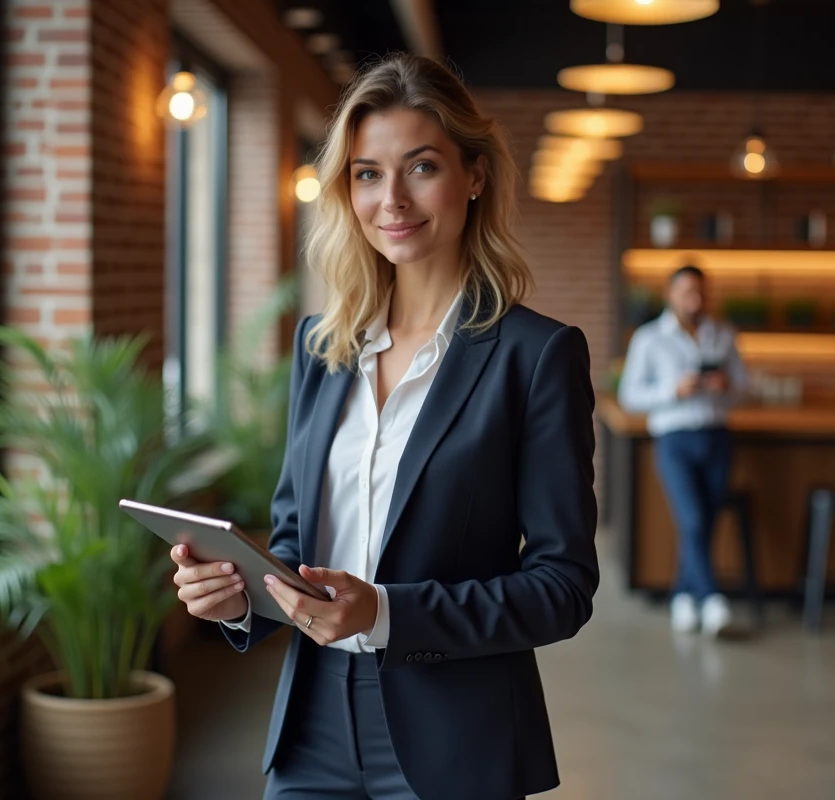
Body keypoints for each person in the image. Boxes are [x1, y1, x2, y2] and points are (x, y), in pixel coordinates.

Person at [170, 53, 599, 800]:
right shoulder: (321, 346)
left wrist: (388, 613)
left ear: (474, 175)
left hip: (456, 742)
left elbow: (563, 586)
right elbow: (300, 545)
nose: (391, 199)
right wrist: (241, 598)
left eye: (420, 167)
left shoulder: (536, 356)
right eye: (367, 173)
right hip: (311, 732)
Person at [618, 265, 746, 636]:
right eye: (688, 292)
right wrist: (673, 391)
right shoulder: (649, 338)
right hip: (674, 440)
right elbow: (629, 396)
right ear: (670, 294)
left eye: (702, 292)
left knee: (705, 522)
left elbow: (745, 387)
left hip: (718, 437)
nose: (696, 299)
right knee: (692, 519)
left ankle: (683, 596)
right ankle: (711, 598)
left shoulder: (722, 335)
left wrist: (726, 386)